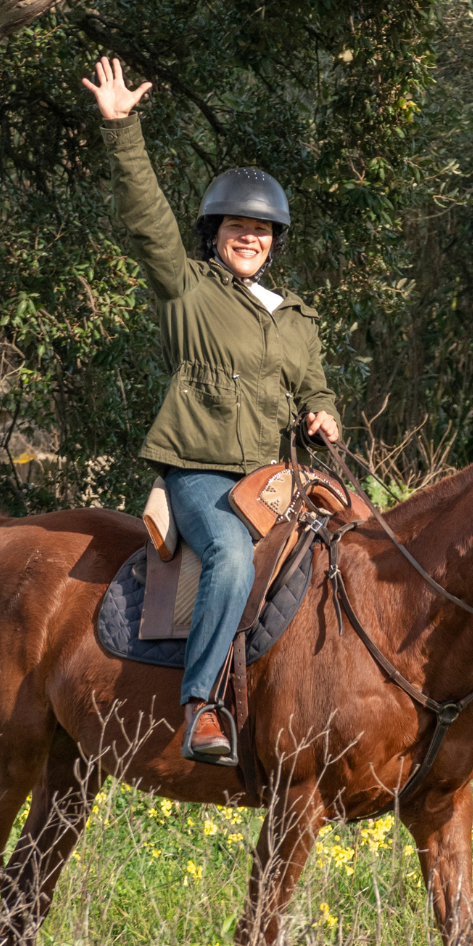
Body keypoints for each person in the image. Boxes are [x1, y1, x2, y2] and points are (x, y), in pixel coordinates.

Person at [83, 57, 341, 760]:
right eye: (235, 226)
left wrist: (323, 414)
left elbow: (314, 385)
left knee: (354, 538)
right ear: (215, 232)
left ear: (274, 241)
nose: (248, 237)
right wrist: (121, 130)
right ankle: (201, 706)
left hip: (274, 477)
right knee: (227, 558)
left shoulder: (296, 317)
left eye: (260, 231)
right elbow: (145, 221)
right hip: (199, 474)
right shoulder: (187, 290)